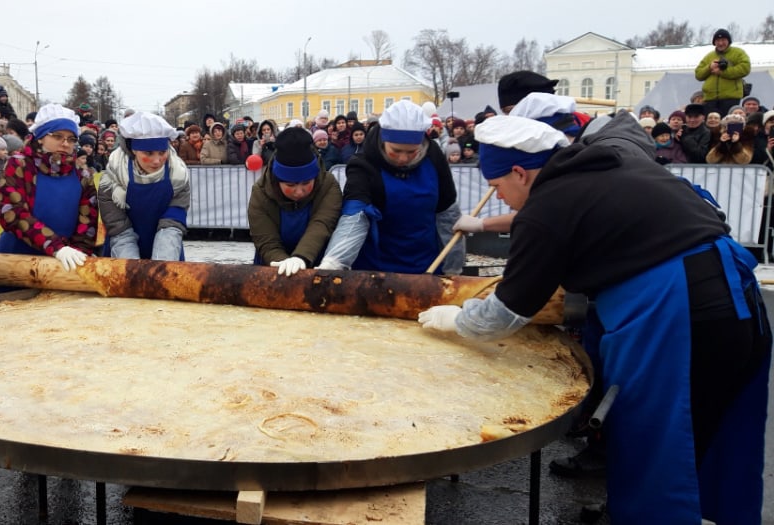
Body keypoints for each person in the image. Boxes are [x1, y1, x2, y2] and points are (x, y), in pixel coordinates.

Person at [419, 115, 770, 525]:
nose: (500, 200)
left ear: (519, 172)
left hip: (675, 308)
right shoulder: (610, 165)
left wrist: (457, 320)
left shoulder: (547, 207)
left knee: (655, 438)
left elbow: (507, 312)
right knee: (723, 428)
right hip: (739, 292)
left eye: (497, 188)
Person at [316, 100, 464, 274]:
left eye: (411, 152)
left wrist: (454, 265)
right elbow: (354, 215)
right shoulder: (363, 164)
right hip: (376, 267)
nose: (403, 159)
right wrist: (335, 261)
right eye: (396, 151)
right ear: (384, 141)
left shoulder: (433, 156)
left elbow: (447, 212)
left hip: (425, 263)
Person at [0, 104, 98, 270]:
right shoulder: (19, 165)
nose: (65, 144)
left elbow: (87, 222)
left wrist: (79, 254)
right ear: (41, 137)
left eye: (71, 139)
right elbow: (12, 213)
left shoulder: (81, 174)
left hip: (64, 265)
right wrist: (56, 247)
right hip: (18, 262)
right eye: (58, 136)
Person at [248, 127, 342, 275]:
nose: (299, 191)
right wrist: (281, 261)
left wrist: (300, 257)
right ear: (278, 180)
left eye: (306, 183)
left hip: (315, 263)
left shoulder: (328, 185)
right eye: (290, 185)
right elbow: (265, 239)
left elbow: (322, 223)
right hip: (272, 266)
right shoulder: (260, 192)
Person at [99, 112, 189, 261]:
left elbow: (176, 213)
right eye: (149, 153)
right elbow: (115, 222)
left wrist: (163, 256)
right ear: (134, 150)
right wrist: (131, 265)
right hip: (123, 242)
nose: (157, 160)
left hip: (166, 243)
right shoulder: (112, 178)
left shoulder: (178, 174)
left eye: (162, 152)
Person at [695, 28, 751, 117]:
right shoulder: (709, 56)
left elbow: (745, 68)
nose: (720, 43)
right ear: (714, 42)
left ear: (728, 41)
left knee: (729, 123)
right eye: (718, 40)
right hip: (710, 98)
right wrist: (709, 67)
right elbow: (698, 74)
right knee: (712, 124)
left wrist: (723, 72)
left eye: (723, 40)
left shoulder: (738, 53)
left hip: (731, 97)